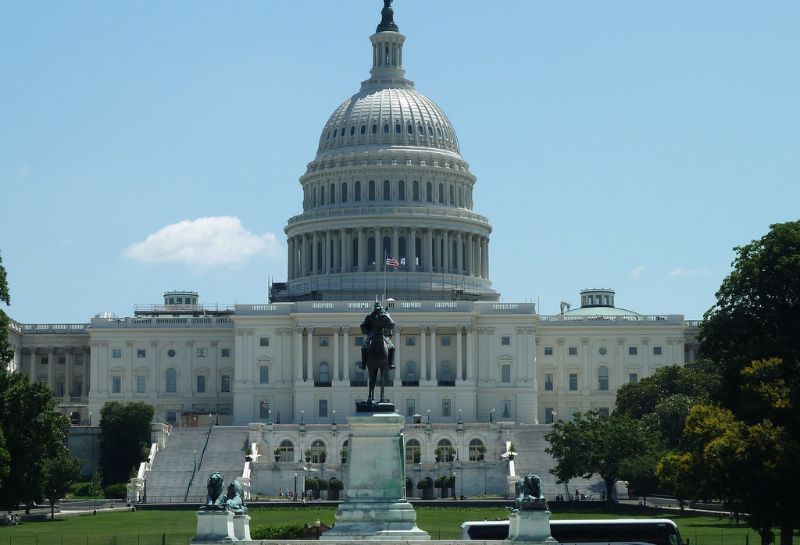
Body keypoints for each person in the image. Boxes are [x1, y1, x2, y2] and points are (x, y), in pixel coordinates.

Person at [360, 302, 395, 370]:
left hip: (382, 333)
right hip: (372, 333)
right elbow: (363, 326)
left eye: (378, 309)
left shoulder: (384, 316)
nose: (377, 311)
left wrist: (388, 331)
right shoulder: (370, 316)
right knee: (364, 346)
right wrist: (367, 332)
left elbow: (390, 325)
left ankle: (391, 363)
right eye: (376, 309)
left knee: (392, 346)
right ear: (374, 309)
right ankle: (363, 363)